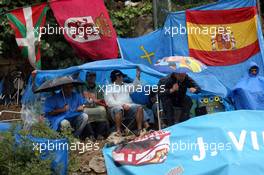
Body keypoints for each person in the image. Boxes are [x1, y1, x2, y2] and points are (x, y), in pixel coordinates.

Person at [104, 69, 150, 136]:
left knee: (139, 107)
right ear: (115, 78)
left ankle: (140, 130)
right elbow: (109, 102)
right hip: (115, 108)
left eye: (122, 76)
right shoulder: (109, 88)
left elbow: (135, 86)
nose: (122, 77)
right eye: (120, 76)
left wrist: (137, 76)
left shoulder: (125, 85)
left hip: (129, 106)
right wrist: (122, 105)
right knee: (118, 109)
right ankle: (118, 131)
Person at [82, 72, 109, 139]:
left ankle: (100, 134)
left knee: (102, 110)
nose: (92, 77)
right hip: (85, 105)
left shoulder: (99, 86)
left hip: (96, 105)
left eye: (94, 75)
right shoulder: (82, 86)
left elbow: (101, 99)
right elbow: (80, 98)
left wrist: (96, 100)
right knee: (84, 113)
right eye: (90, 75)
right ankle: (90, 135)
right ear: (86, 77)